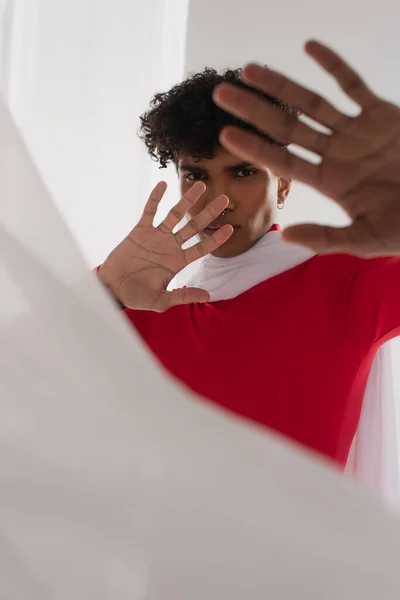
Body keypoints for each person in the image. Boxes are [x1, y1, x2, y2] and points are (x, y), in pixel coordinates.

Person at [98, 40, 400, 497]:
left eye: (243, 173)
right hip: (172, 564)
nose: (219, 200)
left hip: (303, 566)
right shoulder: (148, 306)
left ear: (282, 185)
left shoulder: (343, 284)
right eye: (196, 176)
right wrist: (103, 291)